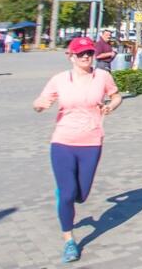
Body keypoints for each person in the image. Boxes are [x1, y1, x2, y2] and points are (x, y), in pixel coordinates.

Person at [33, 36, 122, 264]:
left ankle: (66, 194)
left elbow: (116, 96)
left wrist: (110, 106)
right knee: (68, 193)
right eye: (81, 54)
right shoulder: (59, 79)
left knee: (81, 195)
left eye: (89, 53)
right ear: (70, 56)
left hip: (91, 141)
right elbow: (43, 99)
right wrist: (39, 105)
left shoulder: (102, 76)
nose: (85, 57)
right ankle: (69, 241)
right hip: (63, 141)